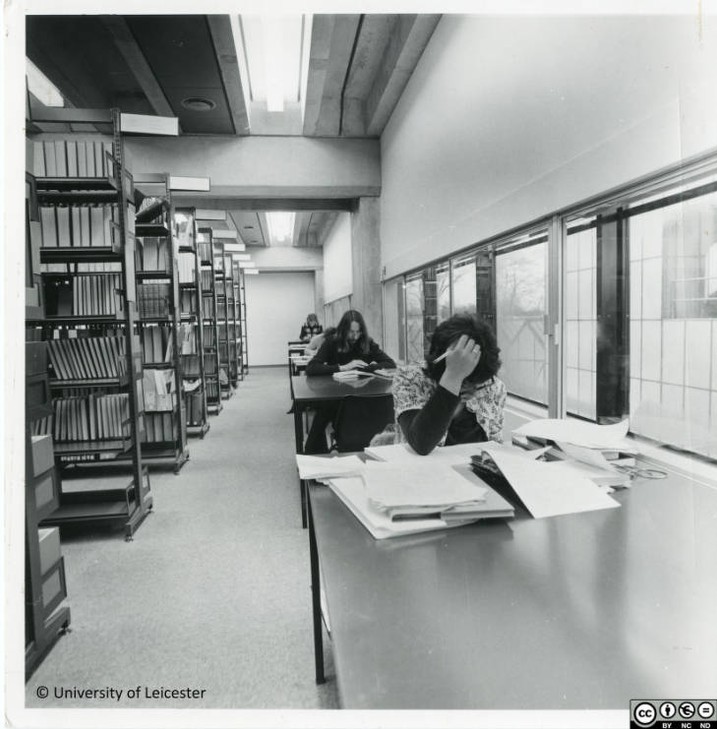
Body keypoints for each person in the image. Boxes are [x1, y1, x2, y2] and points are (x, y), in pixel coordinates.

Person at [388, 314, 506, 455]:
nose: (466, 386)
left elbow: (495, 449)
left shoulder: (493, 386)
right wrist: (453, 378)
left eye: (471, 381)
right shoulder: (410, 378)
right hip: (418, 472)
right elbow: (421, 443)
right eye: (462, 378)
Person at [303, 310, 396, 453]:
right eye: (351, 332)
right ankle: (314, 457)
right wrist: (342, 367)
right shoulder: (332, 342)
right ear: (343, 330)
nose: (355, 336)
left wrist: (369, 368)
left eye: (358, 332)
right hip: (337, 398)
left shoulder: (367, 342)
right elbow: (311, 368)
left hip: (364, 399)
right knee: (322, 416)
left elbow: (390, 363)